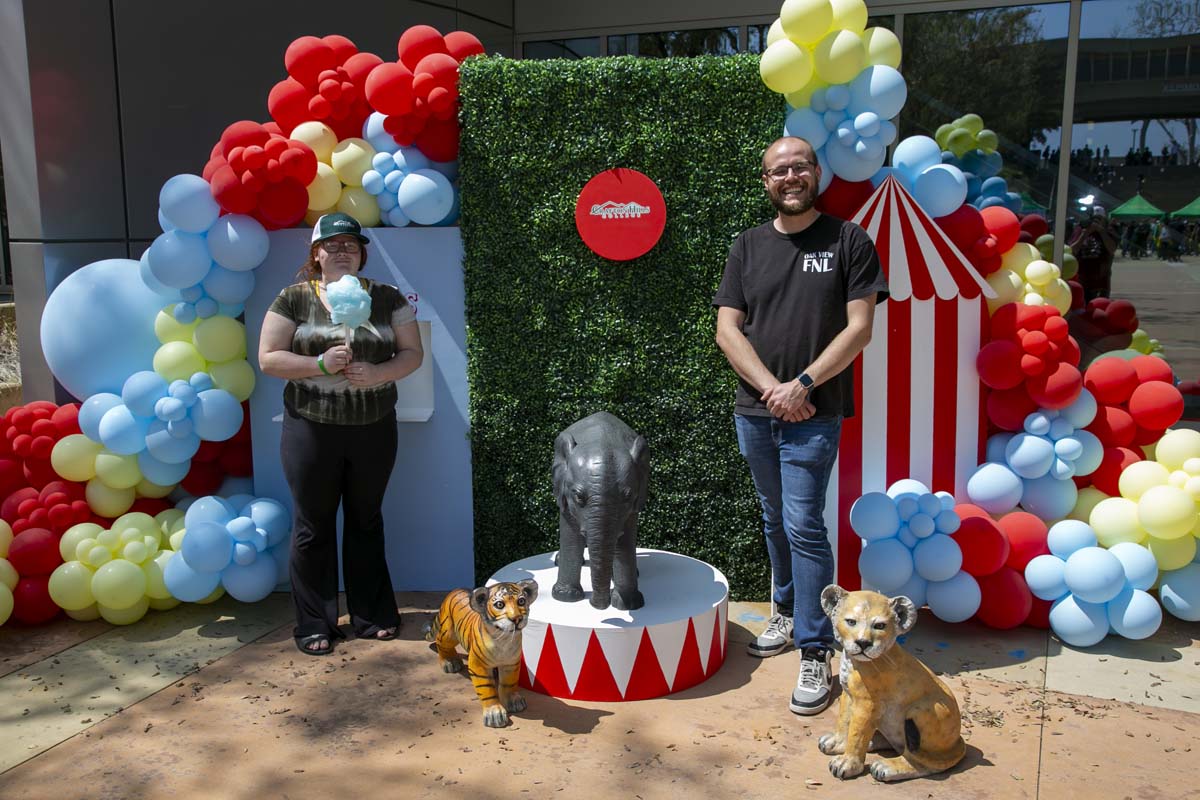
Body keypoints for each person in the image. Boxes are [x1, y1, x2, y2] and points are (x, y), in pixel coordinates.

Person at [713, 136, 888, 715]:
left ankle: (817, 649)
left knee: (803, 524)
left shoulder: (848, 241)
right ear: (765, 181)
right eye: (777, 170)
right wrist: (773, 389)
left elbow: (859, 328)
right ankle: (787, 613)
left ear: (816, 173)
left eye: (798, 166)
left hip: (816, 411)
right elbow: (727, 330)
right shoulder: (746, 245)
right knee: (773, 516)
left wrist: (803, 386)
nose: (789, 176)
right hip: (757, 411)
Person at [259, 212, 424, 656]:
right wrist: (318, 364)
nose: (342, 251)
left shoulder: (386, 298)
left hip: (373, 428)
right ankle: (315, 622)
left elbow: (412, 355)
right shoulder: (293, 298)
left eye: (351, 244)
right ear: (316, 253)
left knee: (365, 520)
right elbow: (269, 359)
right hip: (311, 428)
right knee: (313, 526)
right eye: (332, 245)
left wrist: (378, 371)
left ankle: (372, 616)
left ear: (362, 253)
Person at [1069, 206, 1117, 301]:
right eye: (1094, 219)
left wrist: (1102, 231)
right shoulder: (1081, 229)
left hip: (1101, 281)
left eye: (1099, 219)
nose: (1096, 222)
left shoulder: (1109, 231)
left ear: (1104, 220)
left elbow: (1112, 249)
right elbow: (1072, 250)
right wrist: (1084, 235)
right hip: (1082, 278)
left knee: (1100, 307)